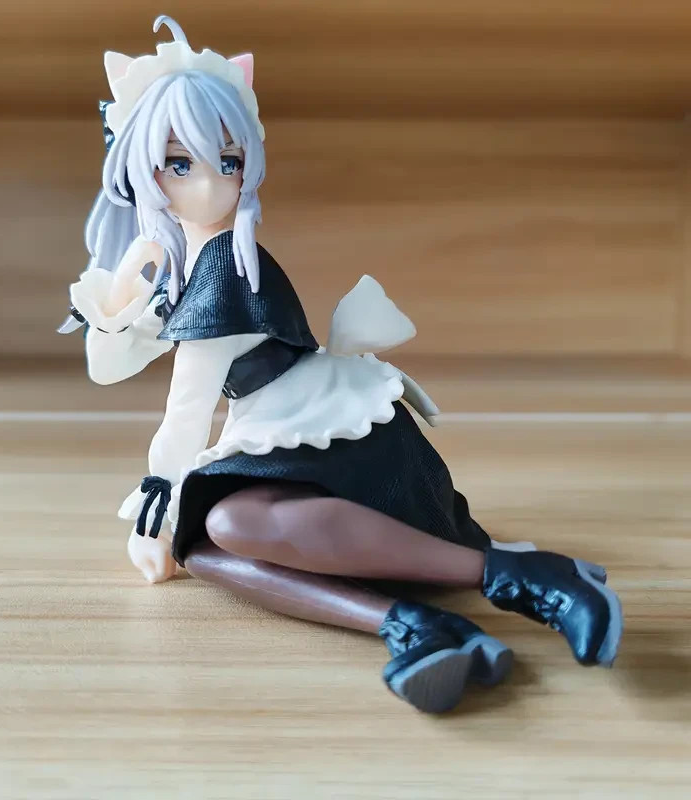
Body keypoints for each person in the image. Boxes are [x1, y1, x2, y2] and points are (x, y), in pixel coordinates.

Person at [60, 15, 622, 713]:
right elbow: (108, 366)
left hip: (334, 445)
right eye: (181, 165)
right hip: (283, 441)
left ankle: (521, 574)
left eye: (228, 163)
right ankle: (418, 627)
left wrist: (151, 514)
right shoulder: (190, 261)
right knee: (202, 548)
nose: (209, 188)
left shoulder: (224, 269)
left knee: (221, 528)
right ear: (138, 169)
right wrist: (123, 288)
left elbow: (186, 413)